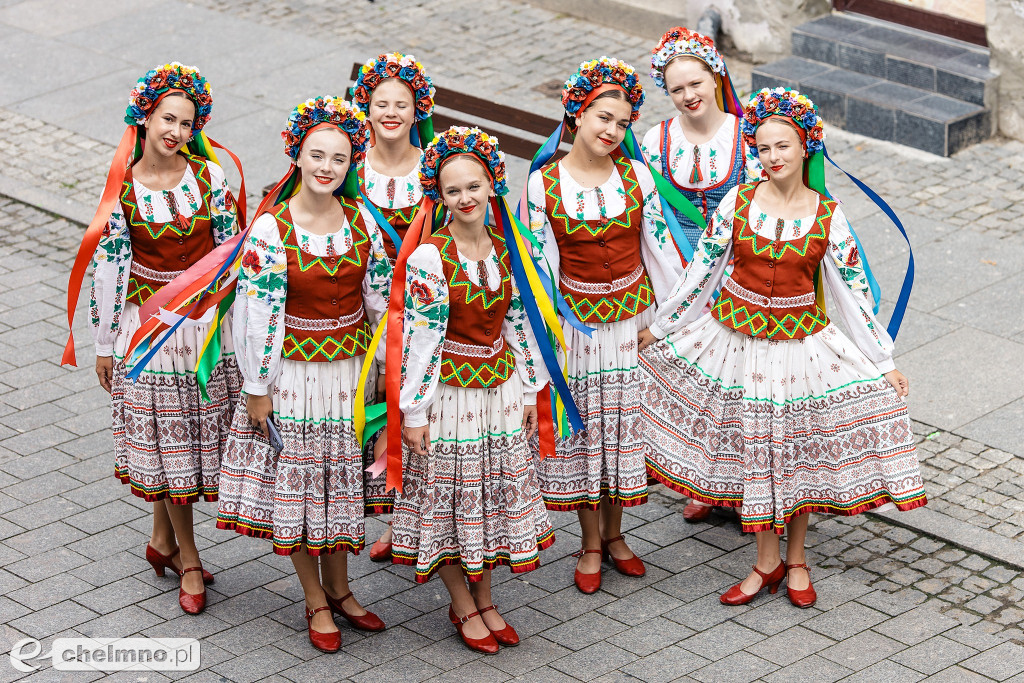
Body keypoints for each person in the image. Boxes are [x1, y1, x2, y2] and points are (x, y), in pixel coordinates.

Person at [636, 87, 926, 609]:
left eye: (783, 146)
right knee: (757, 451)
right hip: (737, 343)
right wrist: (662, 327)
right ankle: (765, 562)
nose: (773, 157)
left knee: (793, 455)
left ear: (806, 147)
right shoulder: (740, 201)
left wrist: (882, 361)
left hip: (800, 350)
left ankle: (796, 560)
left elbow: (851, 294)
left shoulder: (828, 215)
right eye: (764, 147)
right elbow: (702, 272)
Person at [66, 62, 243, 615]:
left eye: (188, 124)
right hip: (149, 336)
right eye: (168, 118)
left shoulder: (209, 180)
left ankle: (161, 541)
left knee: (184, 446)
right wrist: (102, 344)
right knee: (170, 445)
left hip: (201, 331)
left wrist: (232, 331)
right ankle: (187, 556)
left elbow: (229, 255)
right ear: (144, 117)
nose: (177, 132)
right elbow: (109, 267)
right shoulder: (121, 189)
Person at [216, 96, 391, 652]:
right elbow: (257, 314)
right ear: (296, 155)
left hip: (346, 376)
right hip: (293, 375)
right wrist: (256, 385)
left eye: (338, 159)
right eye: (317, 155)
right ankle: (315, 597)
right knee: (299, 486)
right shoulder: (272, 229)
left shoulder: (362, 220)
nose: (326, 167)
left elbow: (380, 302)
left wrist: (387, 366)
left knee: (337, 482)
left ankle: (341, 589)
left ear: (351, 164)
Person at [389, 126, 553, 654]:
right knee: (453, 498)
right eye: (453, 189)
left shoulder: (508, 250)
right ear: (439, 196)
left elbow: (522, 325)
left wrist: (531, 389)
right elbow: (419, 341)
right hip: (451, 397)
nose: (465, 198)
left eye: (474, 186)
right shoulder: (429, 259)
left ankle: (486, 598)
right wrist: (413, 411)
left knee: (485, 497)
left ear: (492, 186)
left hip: (499, 392)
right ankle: (463, 602)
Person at [526, 57, 684, 594]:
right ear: (575, 113)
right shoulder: (543, 185)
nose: (611, 131)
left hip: (631, 324)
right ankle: (591, 541)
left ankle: (617, 536)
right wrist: (550, 337)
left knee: (621, 430)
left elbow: (660, 249)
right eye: (602, 118)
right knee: (586, 432)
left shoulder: (637, 176)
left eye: (621, 123)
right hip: (578, 331)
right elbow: (540, 269)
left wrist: (664, 321)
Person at [641, 27, 761, 523]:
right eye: (676, 89)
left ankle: (741, 484)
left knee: (739, 383)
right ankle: (705, 480)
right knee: (697, 384)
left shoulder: (746, 134)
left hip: (739, 273)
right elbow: (648, 213)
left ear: (715, 77)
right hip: (679, 276)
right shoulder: (656, 140)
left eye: (695, 83)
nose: (688, 96)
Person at [349, 52, 435, 562]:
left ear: (416, 108)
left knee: (419, 408)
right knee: (380, 412)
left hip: (422, 312)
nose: (390, 113)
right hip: (366, 312)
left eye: (401, 104)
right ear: (367, 106)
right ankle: (392, 515)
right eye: (381, 103)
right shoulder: (349, 167)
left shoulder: (430, 167)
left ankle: (412, 521)